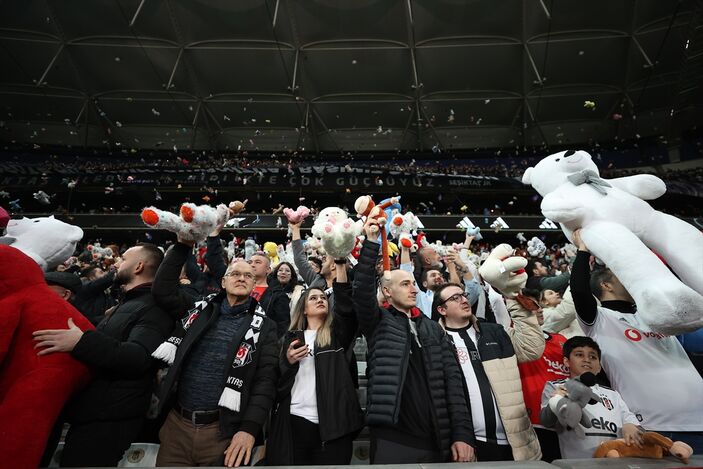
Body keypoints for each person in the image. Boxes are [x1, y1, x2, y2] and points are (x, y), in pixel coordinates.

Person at [34, 243, 174, 467]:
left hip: (110, 418)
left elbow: (138, 357)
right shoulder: (129, 303)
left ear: (138, 266)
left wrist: (81, 341)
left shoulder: (152, 308)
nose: (117, 264)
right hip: (95, 412)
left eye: (124, 259)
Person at [352, 213, 474, 464]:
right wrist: (371, 241)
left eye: (413, 284)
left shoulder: (433, 328)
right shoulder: (378, 322)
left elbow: (453, 383)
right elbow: (362, 292)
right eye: (405, 284)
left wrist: (462, 433)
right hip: (392, 437)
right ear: (387, 291)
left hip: (436, 438)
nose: (414, 288)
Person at [570, 229, 703, 452]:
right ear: (606, 285)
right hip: (655, 425)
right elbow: (580, 291)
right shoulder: (600, 319)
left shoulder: (656, 317)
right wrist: (583, 251)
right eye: (618, 273)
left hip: (699, 418)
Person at [151, 239, 278, 467]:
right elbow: (162, 290)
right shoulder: (197, 309)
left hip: (223, 433)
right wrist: (183, 246)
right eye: (235, 273)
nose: (241, 278)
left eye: (248, 275)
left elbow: (265, 381)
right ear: (223, 281)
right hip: (176, 427)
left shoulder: (266, 327)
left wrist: (248, 429)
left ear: (254, 284)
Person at [432, 283, 543, 461]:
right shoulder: (435, 341)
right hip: (468, 446)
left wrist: (513, 297)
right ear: (442, 310)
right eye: (455, 298)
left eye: (464, 295)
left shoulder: (494, 331)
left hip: (516, 441)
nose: (463, 300)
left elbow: (532, 348)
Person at [268, 261, 364, 465]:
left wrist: (339, 267)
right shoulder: (288, 340)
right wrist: (288, 362)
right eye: (313, 298)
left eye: (323, 298)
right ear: (303, 309)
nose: (320, 300)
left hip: (334, 425)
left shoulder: (337, 335)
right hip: (294, 421)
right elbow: (274, 383)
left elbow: (346, 308)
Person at [540, 336, 644, 459]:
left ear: (599, 367)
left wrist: (630, 425)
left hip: (616, 461)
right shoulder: (556, 386)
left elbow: (635, 424)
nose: (587, 360)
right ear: (566, 361)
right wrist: (556, 401)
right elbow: (546, 421)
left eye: (593, 357)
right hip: (577, 464)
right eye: (579, 355)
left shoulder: (612, 394)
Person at [517, 289, 569, 462]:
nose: (539, 309)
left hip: (571, 421)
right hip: (537, 423)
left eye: (539, 304)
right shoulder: (515, 341)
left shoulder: (561, 339)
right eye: (531, 306)